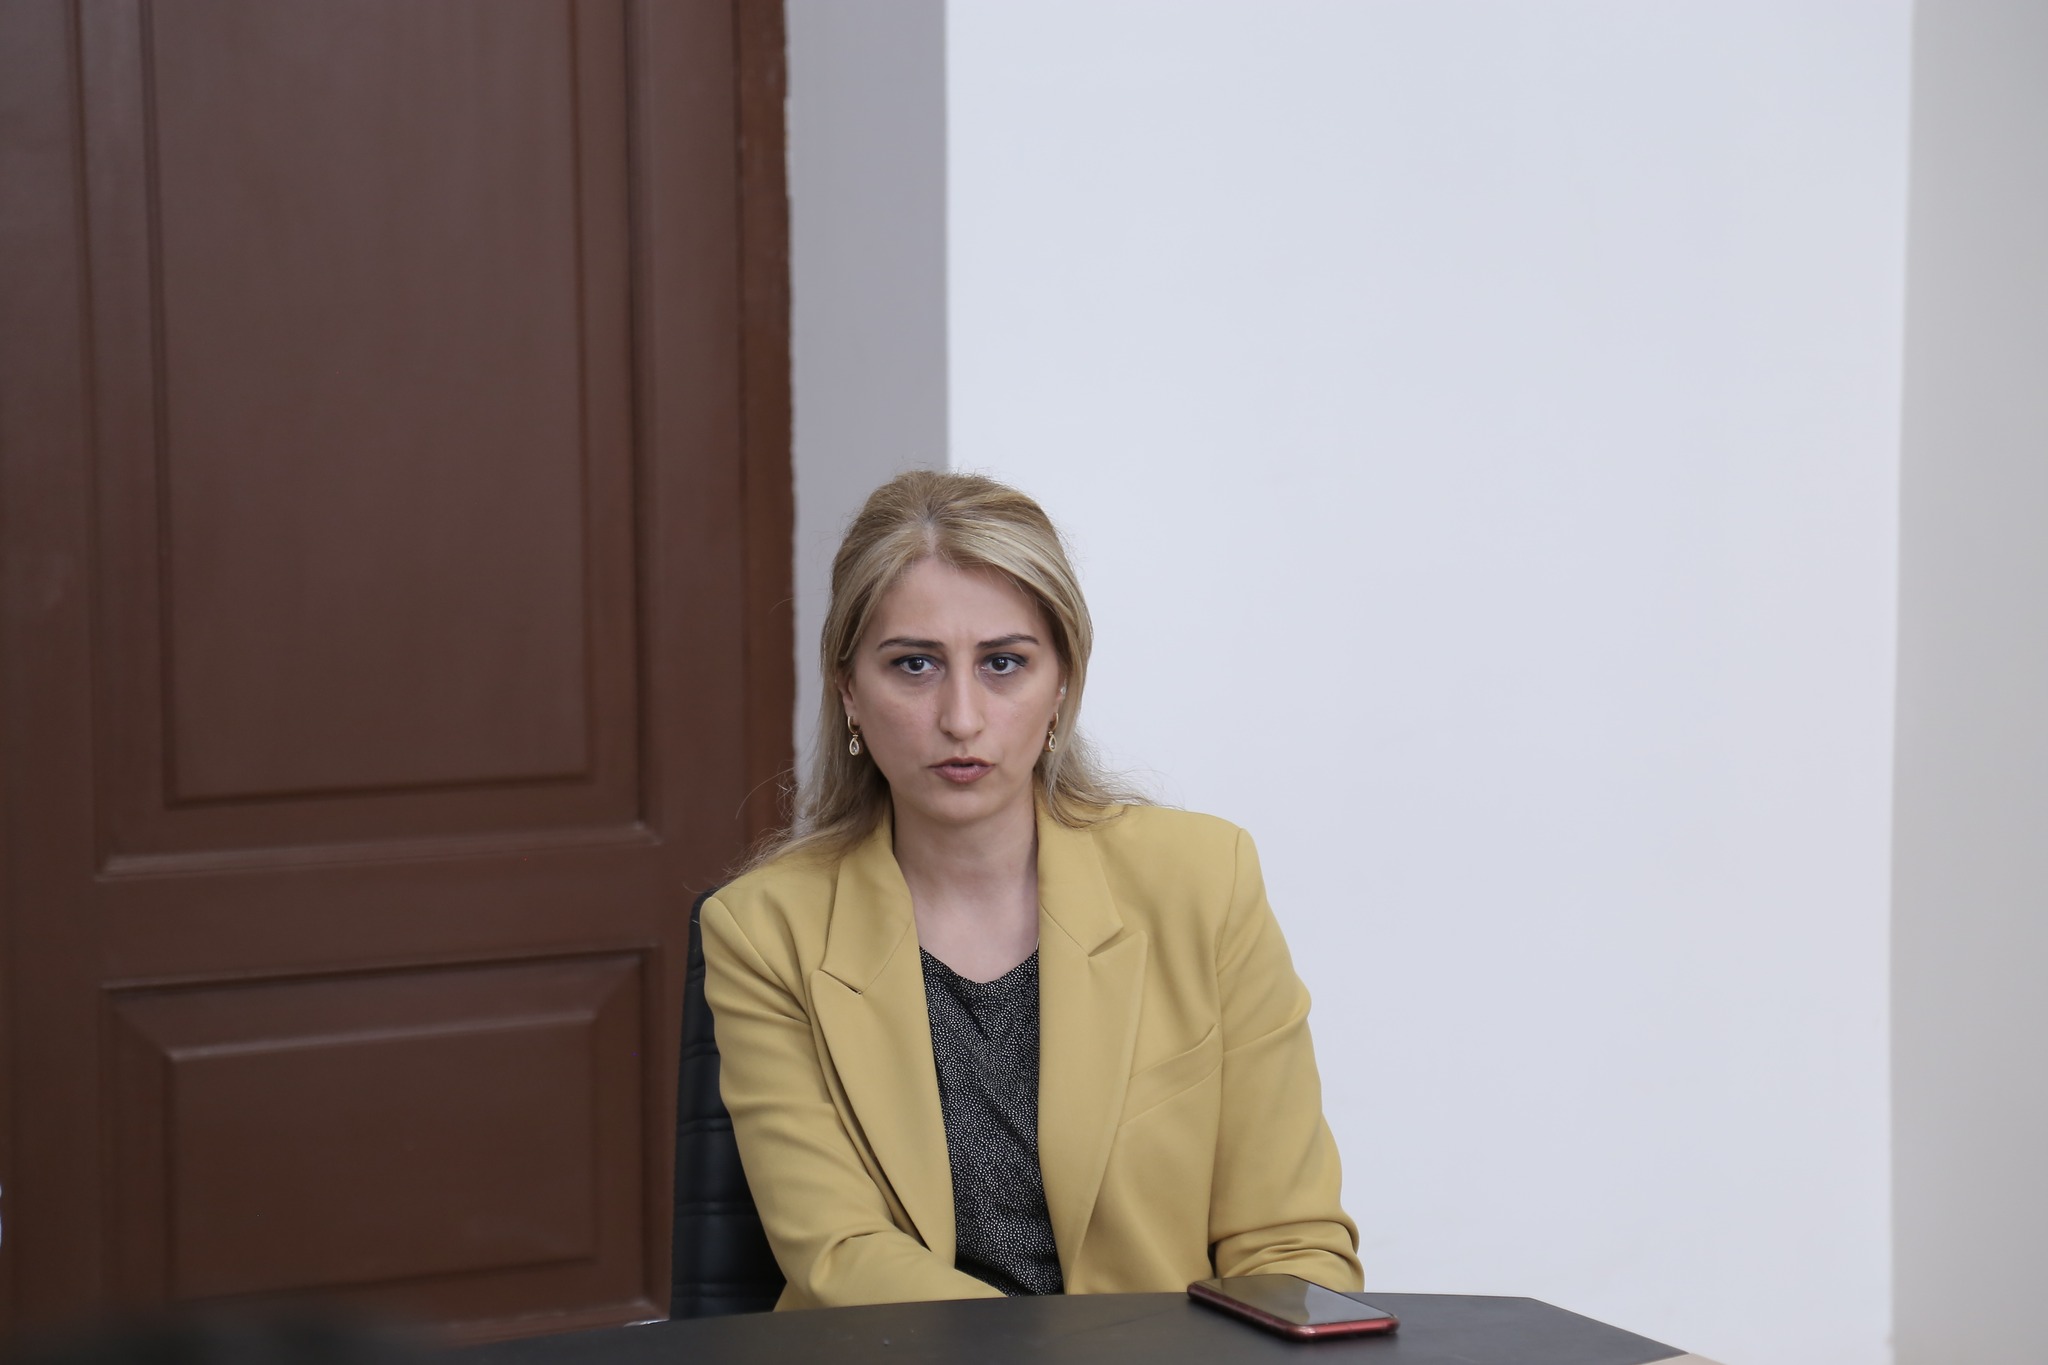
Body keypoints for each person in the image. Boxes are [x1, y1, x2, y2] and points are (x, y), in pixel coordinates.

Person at [700, 471, 1360, 1309]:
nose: (961, 717)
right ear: (849, 690)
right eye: (914, 665)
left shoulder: (1204, 880)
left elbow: (1290, 1241)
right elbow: (840, 1252)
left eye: (1003, 663)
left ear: (1062, 685)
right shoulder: (763, 930)